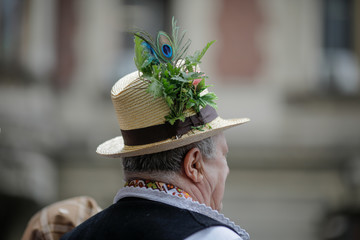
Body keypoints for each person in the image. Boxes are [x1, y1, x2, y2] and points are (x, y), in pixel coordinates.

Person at [61, 18, 250, 240]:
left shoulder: (74, 237)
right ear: (194, 164)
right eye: (224, 156)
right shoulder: (212, 236)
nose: (227, 169)